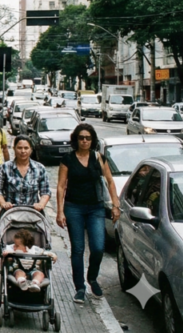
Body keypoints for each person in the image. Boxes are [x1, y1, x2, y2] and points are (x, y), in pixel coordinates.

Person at [56, 123, 120, 304]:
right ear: (76, 140)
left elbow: (110, 181)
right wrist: (60, 211)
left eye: (88, 138)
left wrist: (115, 205)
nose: (84, 141)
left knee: (98, 247)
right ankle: (80, 287)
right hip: (73, 207)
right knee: (77, 249)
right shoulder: (68, 159)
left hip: (95, 208)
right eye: (81, 138)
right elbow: (61, 186)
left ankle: (92, 277)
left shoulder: (99, 158)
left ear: (92, 140)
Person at [0, 136, 51, 213]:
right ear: (14, 149)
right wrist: (3, 203)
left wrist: (41, 204)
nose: (23, 151)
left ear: (31, 150)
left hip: (33, 213)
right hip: (10, 213)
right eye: (19, 148)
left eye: (26, 148)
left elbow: (45, 191)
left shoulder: (40, 168)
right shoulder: (5, 167)